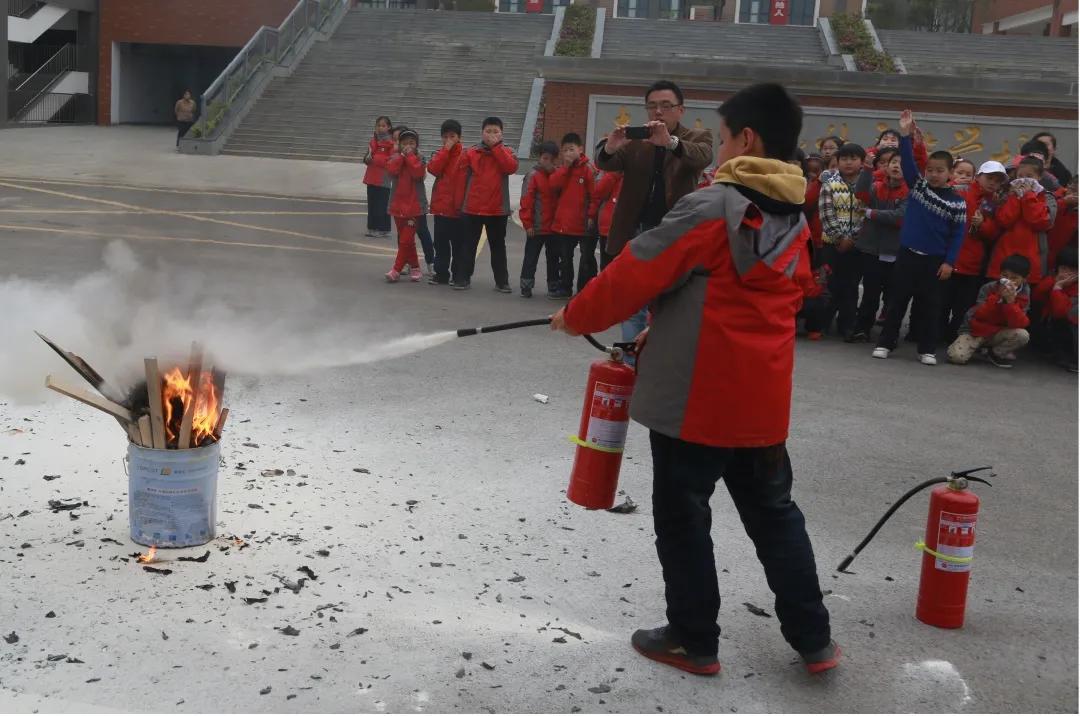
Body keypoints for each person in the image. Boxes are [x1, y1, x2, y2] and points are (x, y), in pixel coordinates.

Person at [550, 81, 837, 678]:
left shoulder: (712, 207)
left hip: (696, 401)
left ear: (748, 139)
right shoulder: (794, 214)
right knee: (776, 514)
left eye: (727, 137)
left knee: (684, 519)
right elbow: (741, 294)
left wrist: (576, 316)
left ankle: (691, 638)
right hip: (760, 402)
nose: (724, 148)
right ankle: (814, 640)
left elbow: (638, 270)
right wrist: (666, 327)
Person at [595, 80, 714, 348]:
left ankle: (656, 359)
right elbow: (605, 163)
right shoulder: (636, 140)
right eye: (652, 106)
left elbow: (702, 157)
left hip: (674, 235)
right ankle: (629, 360)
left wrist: (670, 143)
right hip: (636, 232)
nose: (658, 112)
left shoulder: (697, 137)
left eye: (665, 106)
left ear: (680, 110)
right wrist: (611, 146)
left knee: (668, 301)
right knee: (632, 301)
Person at [872, 110, 967, 365]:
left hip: (935, 261)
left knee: (930, 307)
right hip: (908, 255)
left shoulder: (957, 203)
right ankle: (885, 343)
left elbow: (958, 235)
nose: (934, 174)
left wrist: (949, 262)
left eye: (939, 171)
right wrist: (905, 135)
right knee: (897, 302)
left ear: (950, 173)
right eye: (930, 170)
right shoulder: (918, 187)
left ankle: (927, 349)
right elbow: (909, 163)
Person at [941, 160, 1009, 344]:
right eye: (989, 177)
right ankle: (932, 335)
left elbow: (995, 232)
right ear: (978, 177)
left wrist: (983, 225)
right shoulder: (960, 191)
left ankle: (953, 337)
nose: (992, 182)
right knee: (941, 302)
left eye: (997, 180)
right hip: (950, 258)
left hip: (973, 264)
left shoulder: (996, 202)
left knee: (963, 306)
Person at [850, 148, 907, 341]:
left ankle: (888, 335)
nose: (897, 166)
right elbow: (860, 194)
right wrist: (867, 168)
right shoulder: (876, 186)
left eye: (902, 163)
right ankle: (862, 329)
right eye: (893, 162)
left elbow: (899, 218)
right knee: (870, 293)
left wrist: (870, 213)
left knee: (892, 296)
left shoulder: (911, 191)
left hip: (896, 252)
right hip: (871, 249)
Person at [458, 116, 519, 292]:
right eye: (488, 131)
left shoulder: (508, 151)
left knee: (498, 247)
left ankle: (502, 281)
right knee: (468, 244)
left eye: (495, 131)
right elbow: (462, 176)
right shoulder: (471, 152)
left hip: (497, 209)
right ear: (481, 133)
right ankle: (463, 278)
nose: (491, 135)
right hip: (473, 207)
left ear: (502, 134)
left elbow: (510, 168)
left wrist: (496, 148)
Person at [946, 254, 1031, 368]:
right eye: (1005, 276)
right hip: (976, 330)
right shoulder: (989, 288)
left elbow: (1020, 323)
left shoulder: (1024, 294)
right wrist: (998, 298)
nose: (1008, 281)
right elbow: (980, 314)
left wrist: (1010, 303)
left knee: (1022, 335)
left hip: (999, 332)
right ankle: (975, 347)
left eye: (1014, 278)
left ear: (1024, 279)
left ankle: (995, 353)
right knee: (956, 357)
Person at [818, 142, 867, 340]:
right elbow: (826, 212)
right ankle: (822, 323)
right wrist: (839, 238)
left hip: (856, 246)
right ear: (837, 162)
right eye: (844, 159)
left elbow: (865, 215)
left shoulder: (867, 185)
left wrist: (852, 238)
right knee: (829, 284)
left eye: (853, 159)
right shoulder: (829, 183)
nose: (848, 163)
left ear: (862, 162)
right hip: (831, 243)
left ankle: (847, 326)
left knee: (851, 286)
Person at [986, 157, 1053, 283]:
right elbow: (1004, 220)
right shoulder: (1007, 196)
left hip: (1031, 257)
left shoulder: (1045, 197)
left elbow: (1039, 221)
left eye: (1029, 176)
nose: (1023, 179)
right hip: (1004, 254)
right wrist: (1015, 198)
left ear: (1038, 177)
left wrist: (1028, 196)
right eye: (1020, 175)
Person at [550, 133, 596, 297]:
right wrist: (566, 168)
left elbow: (594, 196)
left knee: (586, 259)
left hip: (582, 223)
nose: (568, 153)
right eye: (565, 150)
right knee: (565, 258)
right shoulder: (563, 169)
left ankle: (584, 290)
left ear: (580, 149)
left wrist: (591, 216)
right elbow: (553, 184)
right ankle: (565, 287)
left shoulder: (588, 169)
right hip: (565, 222)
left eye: (571, 149)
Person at [383, 129, 428, 283]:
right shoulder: (395, 158)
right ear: (399, 144)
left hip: (414, 207)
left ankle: (396, 269)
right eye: (405, 143)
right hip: (398, 205)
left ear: (416, 145)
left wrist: (409, 156)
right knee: (406, 240)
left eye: (411, 143)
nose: (408, 146)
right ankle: (415, 267)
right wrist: (402, 156)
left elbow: (417, 173)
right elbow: (391, 171)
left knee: (405, 240)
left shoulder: (420, 159)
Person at [428, 119, 467, 286]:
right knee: (441, 244)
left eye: (452, 136)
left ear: (459, 137)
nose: (449, 139)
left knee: (458, 245)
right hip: (441, 208)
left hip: (458, 210)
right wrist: (445, 150)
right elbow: (433, 169)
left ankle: (458, 275)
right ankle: (441, 273)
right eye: (445, 136)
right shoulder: (440, 154)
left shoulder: (466, 155)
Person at [518, 141, 559, 298]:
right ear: (539, 158)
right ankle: (526, 285)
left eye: (550, 159)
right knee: (530, 257)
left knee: (554, 258)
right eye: (544, 158)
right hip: (536, 226)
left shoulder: (558, 175)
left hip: (554, 227)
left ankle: (553, 285)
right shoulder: (533, 176)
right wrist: (527, 223)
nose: (547, 162)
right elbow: (526, 201)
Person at [1031, 245, 1078, 371]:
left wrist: (1058, 288)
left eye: (1072, 270)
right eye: (1063, 268)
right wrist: (1054, 281)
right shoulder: (1051, 278)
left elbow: (1061, 312)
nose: (1067, 273)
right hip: (1048, 322)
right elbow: (1036, 296)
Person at [363, 116, 395, 238]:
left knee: (382, 204)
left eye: (383, 126)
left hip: (383, 178)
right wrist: (368, 158)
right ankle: (372, 227)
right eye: (378, 125)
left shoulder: (391, 143)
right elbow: (366, 158)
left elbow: (391, 160)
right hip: (371, 176)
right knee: (372, 203)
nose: (380, 128)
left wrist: (376, 159)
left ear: (389, 127)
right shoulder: (373, 142)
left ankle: (383, 228)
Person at [589, 168, 623, 273]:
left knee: (617, 265)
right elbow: (599, 192)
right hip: (609, 225)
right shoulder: (612, 174)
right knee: (607, 265)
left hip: (623, 226)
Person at [1048, 175, 1078, 270]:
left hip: (1060, 259)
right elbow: (1045, 214)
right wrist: (1064, 202)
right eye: (1073, 190)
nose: (1076, 195)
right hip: (1040, 249)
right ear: (1068, 186)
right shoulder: (1052, 197)